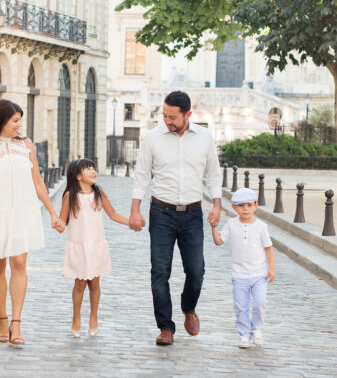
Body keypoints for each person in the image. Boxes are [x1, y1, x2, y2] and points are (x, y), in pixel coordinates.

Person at [129, 91, 221, 346]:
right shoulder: (154, 137)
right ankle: (166, 326)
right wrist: (135, 209)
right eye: (164, 115)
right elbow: (141, 174)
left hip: (192, 213)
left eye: (172, 117)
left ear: (187, 115)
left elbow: (213, 174)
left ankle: (188, 308)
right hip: (161, 212)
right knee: (160, 271)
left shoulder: (204, 137)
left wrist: (216, 203)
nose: (167, 121)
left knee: (197, 271)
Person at [0, 99, 60, 346]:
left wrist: (53, 212)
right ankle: (2, 319)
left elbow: (38, 182)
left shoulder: (26, 146)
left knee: (19, 262)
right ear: (1, 121)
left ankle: (16, 323)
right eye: (15, 120)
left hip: (23, 212)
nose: (19, 125)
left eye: (20, 120)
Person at [56, 158, 129, 338]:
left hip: (96, 245)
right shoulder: (69, 196)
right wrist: (56, 223)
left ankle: (93, 317)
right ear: (78, 176)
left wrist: (131, 222)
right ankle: (76, 318)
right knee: (80, 283)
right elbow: (62, 222)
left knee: (95, 282)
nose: (92, 171)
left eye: (93, 168)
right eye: (88, 169)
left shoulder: (99, 193)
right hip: (79, 245)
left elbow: (112, 214)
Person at [211, 188, 276, 349]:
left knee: (260, 303)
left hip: (259, 274)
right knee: (241, 307)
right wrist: (213, 227)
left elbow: (268, 247)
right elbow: (219, 241)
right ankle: (244, 334)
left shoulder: (261, 226)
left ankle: (258, 329)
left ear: (255, 206)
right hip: (239, 275)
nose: (245, 209)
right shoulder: (231, 224)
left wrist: (272, 268)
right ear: (234, 208)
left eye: (248, 205)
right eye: (241, 206)